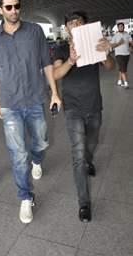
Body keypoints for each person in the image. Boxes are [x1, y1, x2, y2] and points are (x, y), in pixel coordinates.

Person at [0, 0, 61, 224]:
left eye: (16, 5)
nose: (13, 10)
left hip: (35, 98)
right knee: (18, 154)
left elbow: (47, 63)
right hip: (9, 105)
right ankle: (25, 197)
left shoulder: (35, 31)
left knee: (41, 142)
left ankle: (37, 160)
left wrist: (55, 94)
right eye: (8, 6)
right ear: (0, 9)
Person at [53, 11, 114, 222]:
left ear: (85, 25)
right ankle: (84, 203)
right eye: (71, 22)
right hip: (73, 109)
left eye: (80, 21)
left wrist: (106, 52)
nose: (76, 24)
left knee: (91, 144)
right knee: (78, 155)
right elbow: (55, 74)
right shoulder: (61, 49)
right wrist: (70, 60)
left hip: (94, 105)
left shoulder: (95, 43)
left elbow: (110, 67)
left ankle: (88, 160)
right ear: (66, 28)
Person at [110, 22, 133, 88]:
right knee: (123, 68)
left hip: (127, 54)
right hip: (119, 54)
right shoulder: (115, 36)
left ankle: (119, 81)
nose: (120, 28)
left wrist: (131, 47)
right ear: (118, 28)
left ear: (124, 27)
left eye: (122, 26)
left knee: (122, 68)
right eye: (119, 27)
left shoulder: (127, 35)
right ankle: (126, 83)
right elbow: (112, 45)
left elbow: (131, 42)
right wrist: (119, 43)